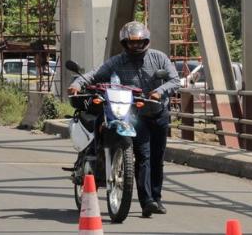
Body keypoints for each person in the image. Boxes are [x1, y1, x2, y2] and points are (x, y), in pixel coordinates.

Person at [67, 21, 179, 218]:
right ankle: (147, 202)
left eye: (138, 42)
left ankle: (156, 198)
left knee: (157, 159)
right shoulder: (118, 61)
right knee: (143, 156)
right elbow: (95, 74)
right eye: (130, 43)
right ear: (125, 43)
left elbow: (175, 80)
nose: (135, 46)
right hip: (137, 114)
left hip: (158, 112)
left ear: (146, 41)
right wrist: (77, 83)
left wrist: (159, 92)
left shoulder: (159, 58)